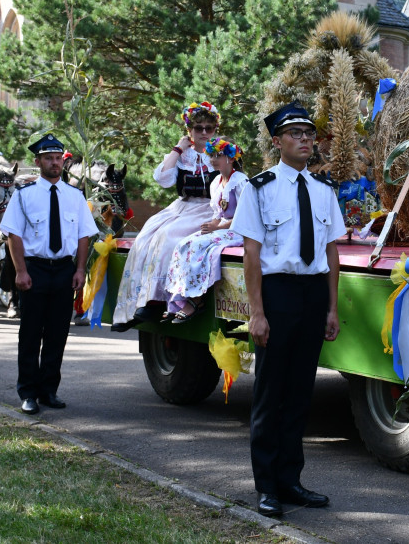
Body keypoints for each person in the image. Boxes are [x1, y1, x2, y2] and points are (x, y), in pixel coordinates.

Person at [230, 101, 346, 517]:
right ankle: (266, 486)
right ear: (277, 141)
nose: (304, 140)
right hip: (277, 295)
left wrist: (331, 308)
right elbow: (251, 255)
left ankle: (291, 480)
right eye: (295, 134)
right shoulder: (258, 188)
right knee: (269, 393)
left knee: (299, 394)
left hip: (313, 295)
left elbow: (332, 253)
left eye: (309, 134)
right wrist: (257, 313)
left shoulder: (324, 190)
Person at [0, 134, 97, 415]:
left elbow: (82, 236)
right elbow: (13, 235)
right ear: (38, 161)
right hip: (35, 270)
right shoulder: (24, 195)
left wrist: (80, 270)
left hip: (65, 271)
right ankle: (28, 393)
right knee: (30, 334)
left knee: (57, 335)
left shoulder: (75, 197)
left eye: (58, 158)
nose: (54, 163)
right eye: (48, 159)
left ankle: (49, 391)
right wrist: (20, 271)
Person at [111, 101, 221, 328]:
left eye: (208, 128)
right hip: (183, 206)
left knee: (170, 237)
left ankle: (167, 300)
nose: (203, 133)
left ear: (214, 130)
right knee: (146, 236)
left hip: (209, 209)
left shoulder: (221, 153)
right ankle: (147, 300)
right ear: (189, 130)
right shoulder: (184, 155)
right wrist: (177, 149)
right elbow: (162, 179)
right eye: (198, 128)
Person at [162, 136, 248, 324]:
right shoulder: (216, 181)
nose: (213, 159)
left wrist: (218, 226)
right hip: (223, 229)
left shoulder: (241, 181)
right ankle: (178, 298)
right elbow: (218, 213)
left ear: (231, 158)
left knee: (198, 247)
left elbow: (245, 217)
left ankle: (196, 300)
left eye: (218, 155)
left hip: (238, 231)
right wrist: (212, 225)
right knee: (183, 244)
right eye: (212, 155)